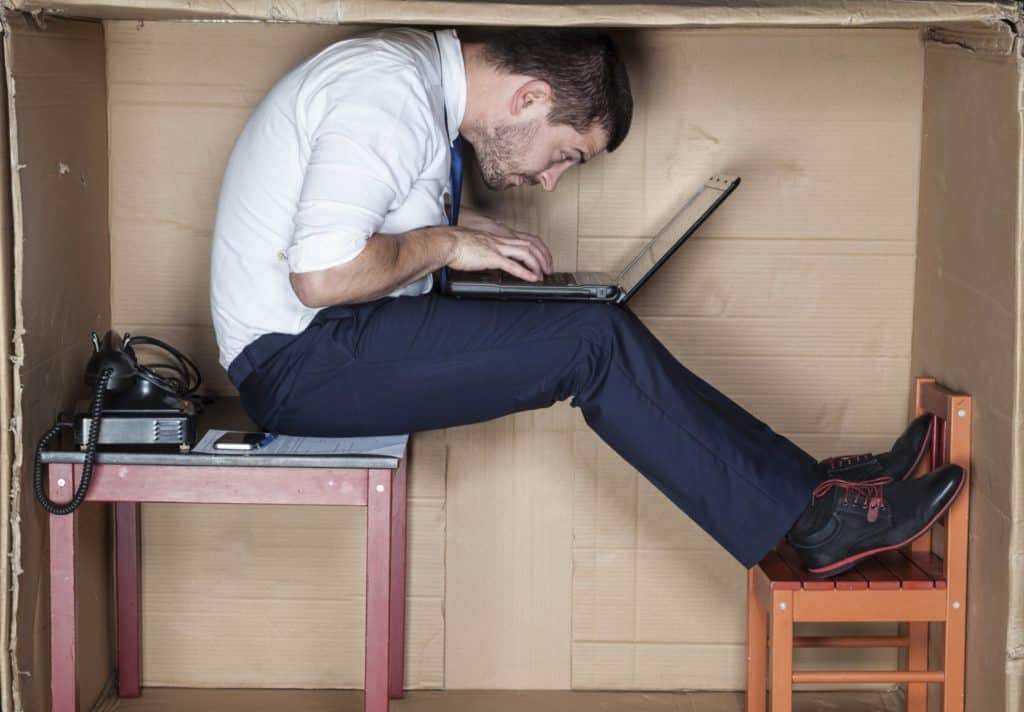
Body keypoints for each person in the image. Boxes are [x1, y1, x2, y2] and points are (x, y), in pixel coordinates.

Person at [210, 26, 964, 580]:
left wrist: (463, 232)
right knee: (592, 342)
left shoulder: (408, 85)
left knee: (596, 328)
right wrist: (447, 245)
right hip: (300, 361)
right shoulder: (389, 93)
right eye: (567, 153)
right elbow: (322, 275)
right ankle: (813, 520)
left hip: (332, 342)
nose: (551, 181)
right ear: (530, 96)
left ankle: (815, 487)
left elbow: (350, 219)